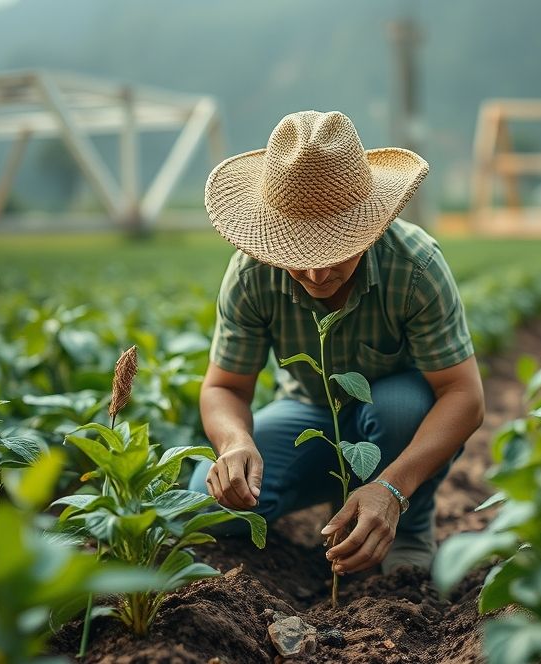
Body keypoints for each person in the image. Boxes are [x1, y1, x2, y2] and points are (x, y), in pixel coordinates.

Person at [190, 110, 484, 575]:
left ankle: (408, 524)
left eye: (336, 249)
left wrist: (392, 487)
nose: (316, 273)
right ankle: (335, 500)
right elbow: (224, 387)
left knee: (400, 408)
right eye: (297, 253)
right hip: (308, 410)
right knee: (206, 508)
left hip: (392, 423)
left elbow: (464, 396)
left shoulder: (415, 267)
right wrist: (234, 442)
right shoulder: (250, 275)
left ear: (369, 225)